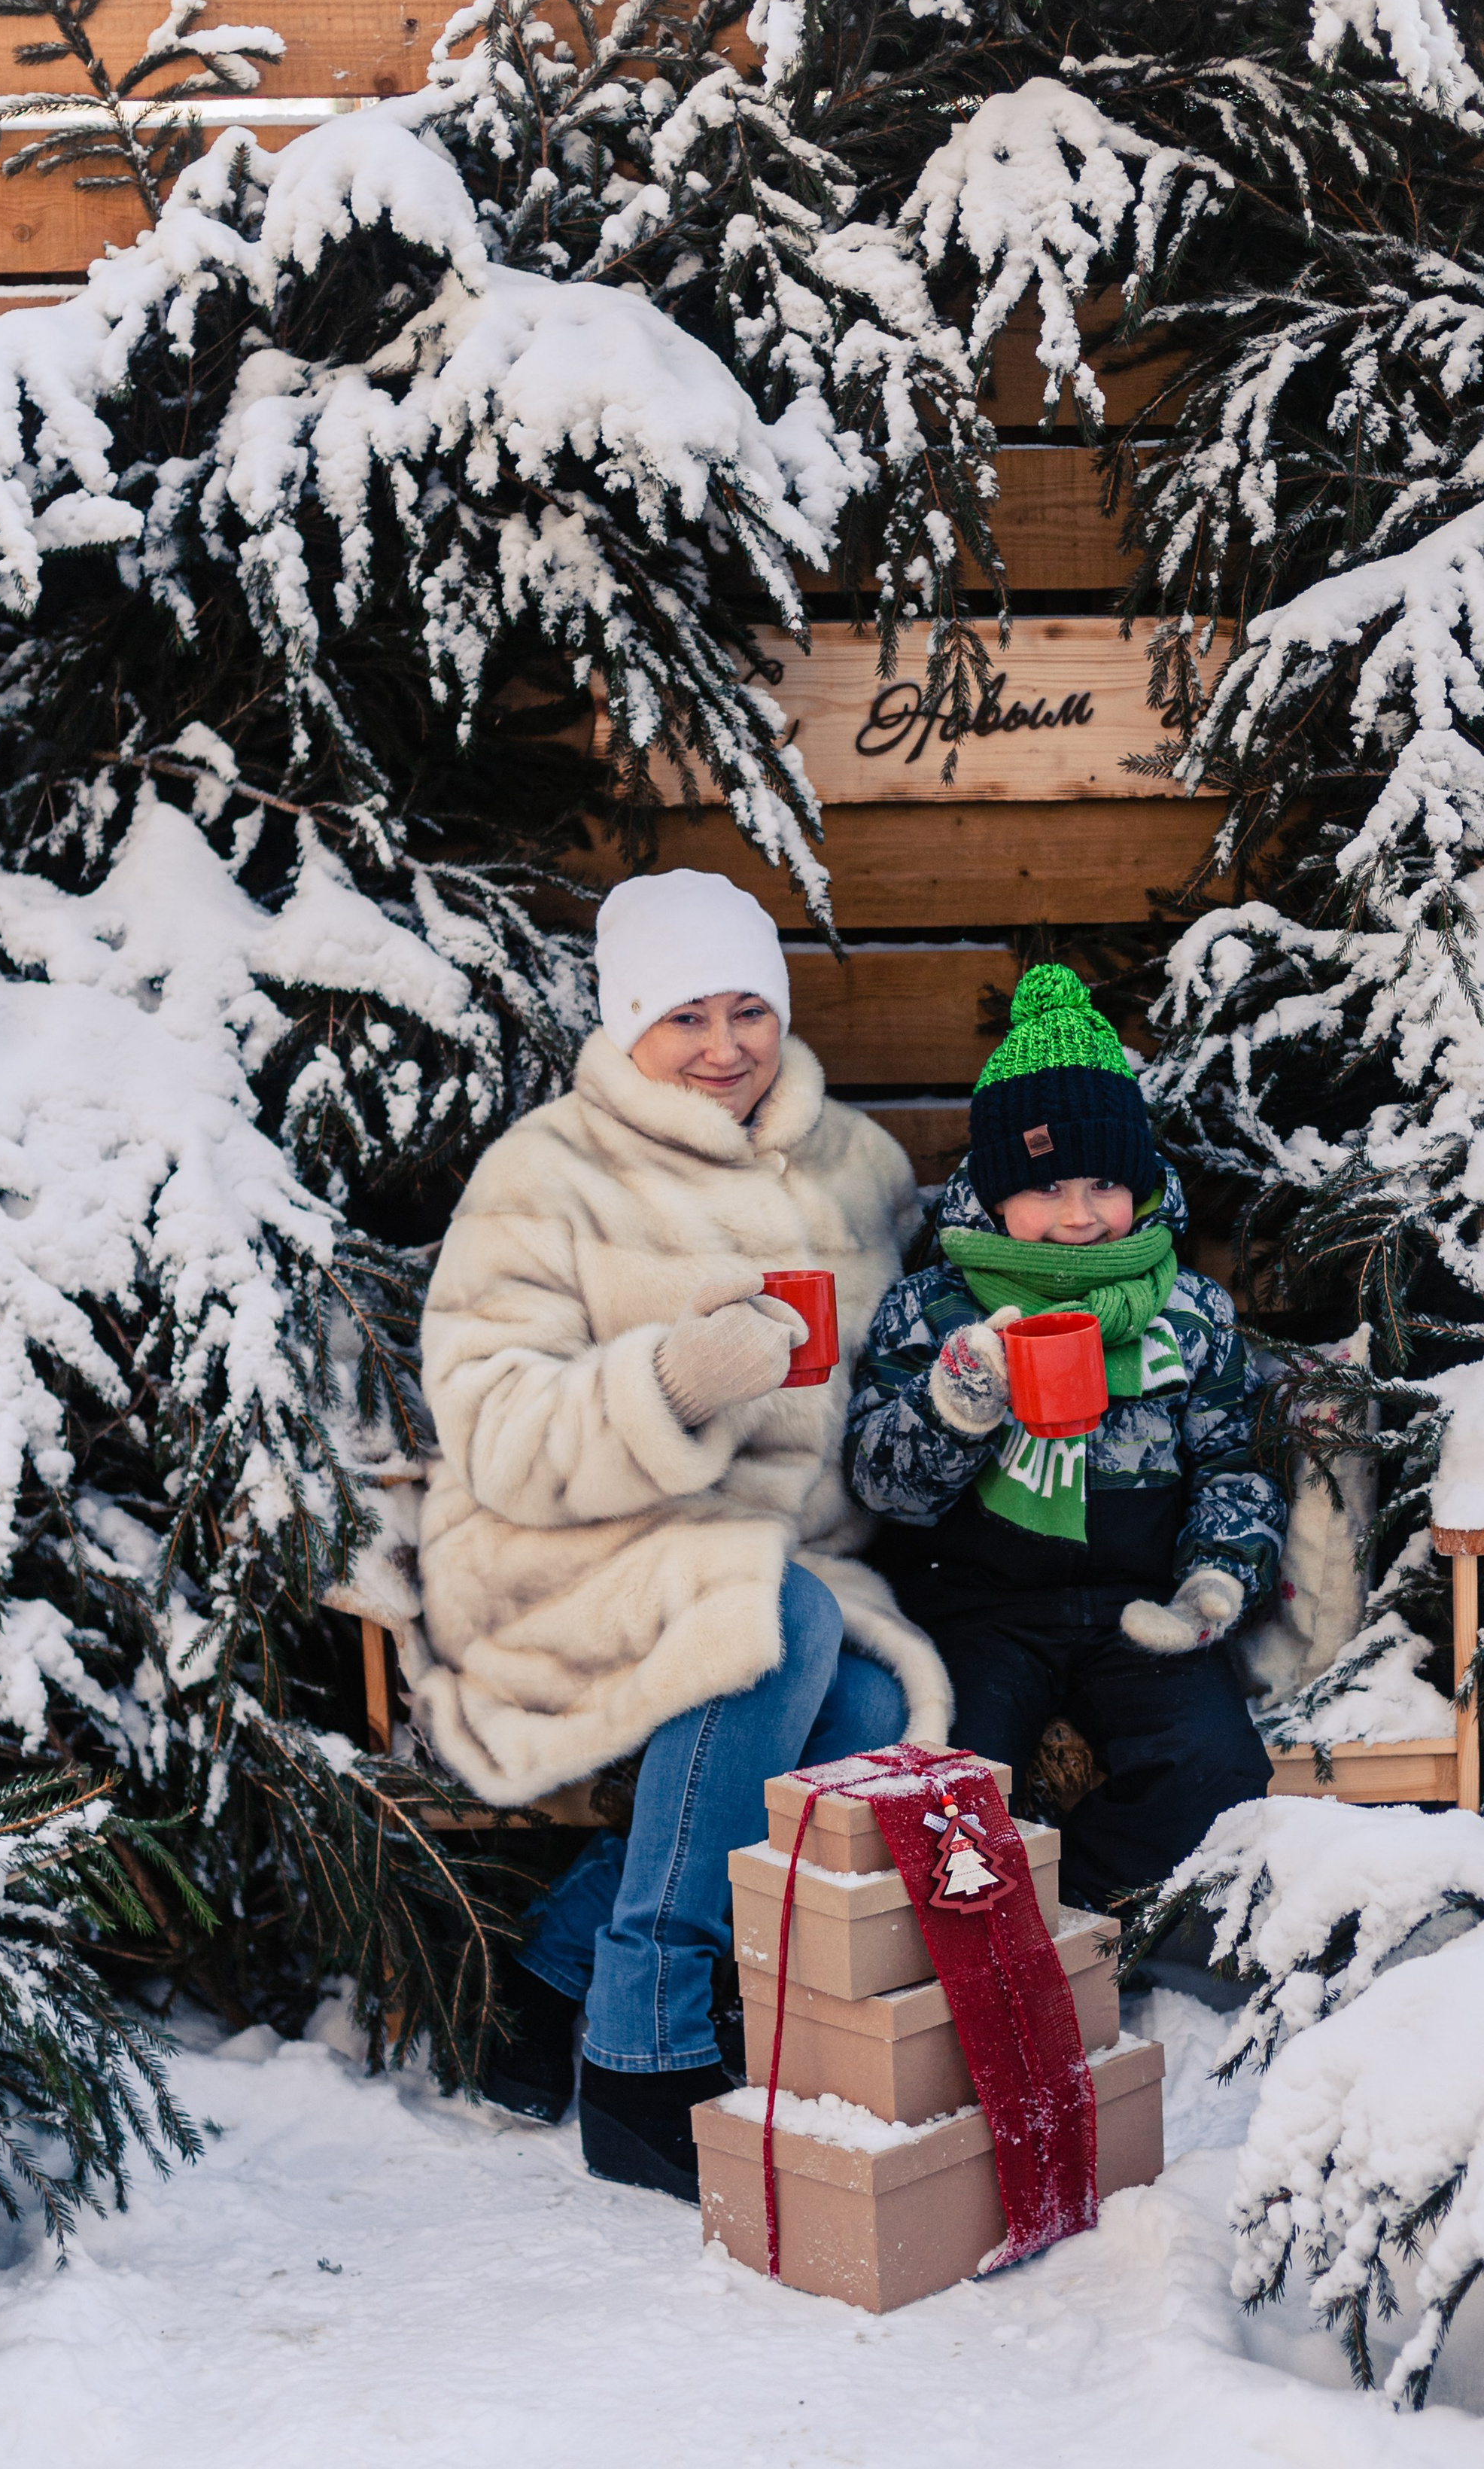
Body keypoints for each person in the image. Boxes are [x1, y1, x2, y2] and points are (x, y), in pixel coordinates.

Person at [406, 869, 950, 2200]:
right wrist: (673, 1381)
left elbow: (893, 1385)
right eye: (687, 1017)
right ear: (631, 1024)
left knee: (870, 1698)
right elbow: (491, 1419)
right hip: (564, 1544)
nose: (725, 1050)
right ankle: (645, 2055)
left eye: (748, 1012)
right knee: (770, 1619)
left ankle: (553, 1965)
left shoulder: (858, 1167)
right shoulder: (549, 1171)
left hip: (774, 1555)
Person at [844, 964, 1282, 1909]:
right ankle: (983, 1929)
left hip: (1139, 1610)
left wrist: (1215, 1577)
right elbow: (881, 1488)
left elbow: (1231, 1465)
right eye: (1044, 1188)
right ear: (996, 1196)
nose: (1079, 1217)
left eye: (1103, 1183)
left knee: (1216, 1775)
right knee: (949, 1786)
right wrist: (957, 1399)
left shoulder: (1190, 1313)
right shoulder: (935, 1311)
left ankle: (1070, 1916)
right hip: (978, 1608)